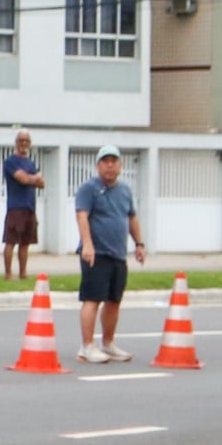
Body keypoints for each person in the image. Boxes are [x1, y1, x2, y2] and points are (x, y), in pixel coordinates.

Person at [72, 145, 146, 364]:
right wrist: (87, 245)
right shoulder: (89, 188)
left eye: (114, 161)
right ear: (98, 165)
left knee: (114, 301)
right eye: (105, 161)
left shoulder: (125, 190)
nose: (110, 165)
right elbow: (82, 216)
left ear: (120, 166)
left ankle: (108, 342)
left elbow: (131, 218)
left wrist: (139, 243)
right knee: (92, 299)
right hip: (96, 253)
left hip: (117, 254)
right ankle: (87, 346)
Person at [1, 130, 44, 281]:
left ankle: (23, 273)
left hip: (30, 207)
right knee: (11, 241)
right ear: (16, 142)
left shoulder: (30, 163)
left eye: (27, 141)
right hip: (15, 207)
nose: (24, 143)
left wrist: (32, 178)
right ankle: (8, 274)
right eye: (21, 140)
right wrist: (34, 178)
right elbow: (23, 179)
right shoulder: (11, 161)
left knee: (25, 243)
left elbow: (42, 183)